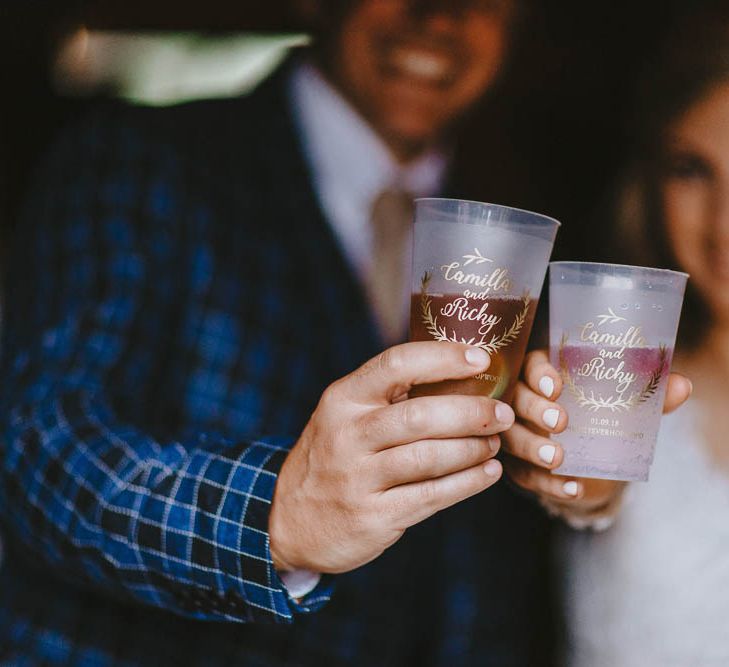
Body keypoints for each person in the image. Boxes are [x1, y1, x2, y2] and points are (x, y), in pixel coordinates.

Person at [0, 1, 568, 664]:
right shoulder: (138, 156)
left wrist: (576, 487)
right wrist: (276, 519)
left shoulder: (533, 223)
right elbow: (38, 446)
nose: (438, 17)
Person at [510, 4, 727, 665]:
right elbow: (589, 483)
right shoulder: (607, 367)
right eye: (691, 169)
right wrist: (575, 475)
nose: (723, 224)